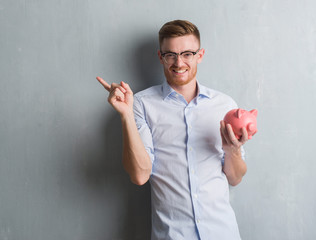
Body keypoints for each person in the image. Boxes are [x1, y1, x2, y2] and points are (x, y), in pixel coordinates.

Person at [97, 20, 248, 240]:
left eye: (187, 54)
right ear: (160, 57)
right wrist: (126, 115)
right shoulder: (141, 104)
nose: (179, 63)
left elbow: (235, 178)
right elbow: (139, 175)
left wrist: (232, 150)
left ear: (200, 55)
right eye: (171, 55)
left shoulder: (225, 106)